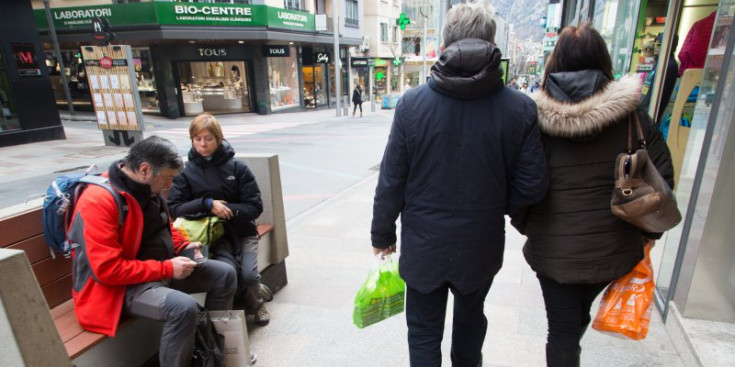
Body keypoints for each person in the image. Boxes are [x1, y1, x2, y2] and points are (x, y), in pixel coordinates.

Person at [370, 3, 549, 366]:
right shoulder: (519, 108)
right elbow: (533, 184)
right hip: (480, 244)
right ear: (491, 41)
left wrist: (381, 234)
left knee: (422, 333)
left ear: (446, 41)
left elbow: (392, 179)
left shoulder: (412, 105)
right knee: (470, 328)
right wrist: (497, 204)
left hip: (424, 245)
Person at [511, 24, 674, 366]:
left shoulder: (533, 120)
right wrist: (648, 234)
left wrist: (532, 227)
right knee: (573, 321)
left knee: (562, 329)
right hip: (614, 247)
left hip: (553, 249)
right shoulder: (633, 118)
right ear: (603, 61)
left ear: (554, 62)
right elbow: (663, 178)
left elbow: (520, 186)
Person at [69, 136, 237, 367]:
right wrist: (168, 268)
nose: (170, 186)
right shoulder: (98, 202)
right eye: (168, 178)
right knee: (183, 308)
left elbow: (165, 226)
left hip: (159, 271)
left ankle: (212, 351)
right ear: (145, 169)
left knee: (225, 274)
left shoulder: (148, 188)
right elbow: (107, 270)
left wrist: (184, 246)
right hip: (119, 289)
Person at [168, 113, 272, 327]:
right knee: (230, 272)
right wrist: (207, 204)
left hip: (241, 231)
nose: (202, 144)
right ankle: (243, 302)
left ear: (219, 138)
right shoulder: (185, 171)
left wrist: (226, 209)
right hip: (207, 237)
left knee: (249, 276)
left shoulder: (237, 167)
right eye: (197, 139)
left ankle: (256, 301)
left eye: (208, 138)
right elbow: (175, 208)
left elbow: (254, 206)